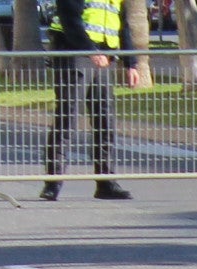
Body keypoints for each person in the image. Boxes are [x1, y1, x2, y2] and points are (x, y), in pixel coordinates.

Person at [40, 0, 133, 202]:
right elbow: (69, 19)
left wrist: (131, 62)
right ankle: (53, 182)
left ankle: (106, 182)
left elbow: (123, 24)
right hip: (74, 51)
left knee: (105, 120)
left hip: (103, 55)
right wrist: (90, 49)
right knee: (67, 118)